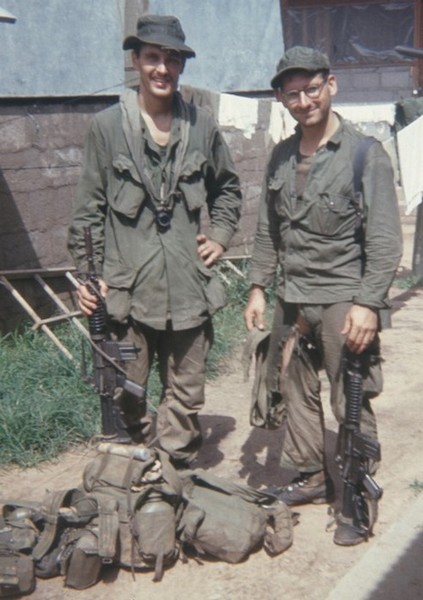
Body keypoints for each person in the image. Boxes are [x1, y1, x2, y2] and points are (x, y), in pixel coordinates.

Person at [244, 46, 402, 544]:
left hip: (342, 299)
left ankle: (357, 492)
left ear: (331, 84)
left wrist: (369, 303)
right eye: (292, 93)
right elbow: (269, 229)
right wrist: (257, 286)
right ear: (281, 98)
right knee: (292, 388)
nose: (304, 100)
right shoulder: (281, 156)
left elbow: (384, 238)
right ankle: (311, 475)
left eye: (312, 88)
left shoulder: (364, 154)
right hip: (293, 297)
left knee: (349, 395)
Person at [68, 14, 242, 467]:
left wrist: (220, 235)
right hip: (127, 291)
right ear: (136, 62)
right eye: (152, 58)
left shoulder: (201, 126)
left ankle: (175, 476)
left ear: (182, 66)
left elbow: (227, 188)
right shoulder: (106, 129)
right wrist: (89, 282)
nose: (161, 69)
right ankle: (144, 468)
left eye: (171, 59)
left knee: (186, 394)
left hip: (188, 288)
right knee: (129, 389)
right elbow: (88, 211)